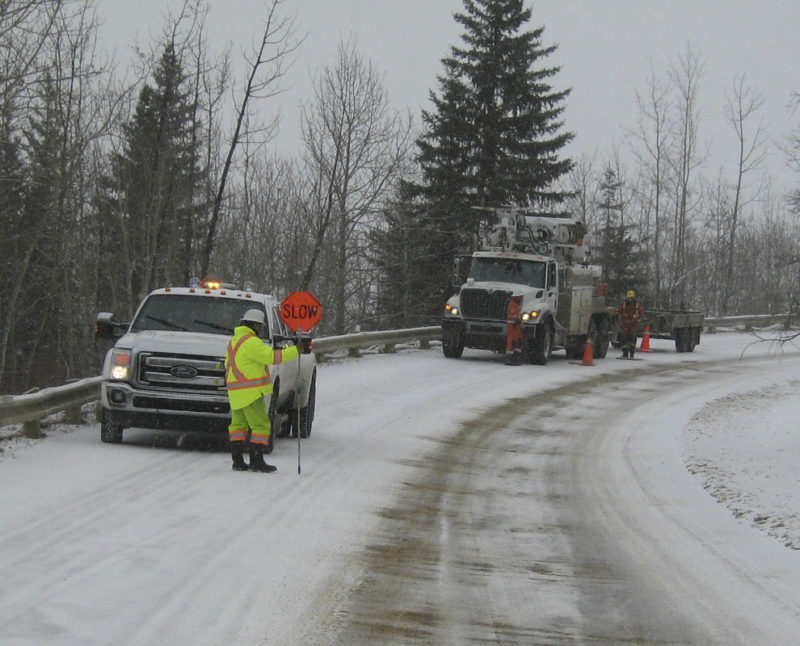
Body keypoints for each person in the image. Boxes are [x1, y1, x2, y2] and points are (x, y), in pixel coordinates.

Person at [224, 308, 301, 472]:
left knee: (238, 425)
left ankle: (237, 461)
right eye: (259, 327)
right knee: (260, 425)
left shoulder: (234, 341)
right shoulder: (251, 342)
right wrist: (296, 350)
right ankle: (256, 461)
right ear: (254, 325)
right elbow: (272, 358)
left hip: (235, 391)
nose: (260, 330)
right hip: (249, 392)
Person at [617, 290, 645, 359]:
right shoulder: (623, 305)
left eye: (631, 298)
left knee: (632, 339)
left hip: (633, 325)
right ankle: (625, 353)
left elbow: (641, 314)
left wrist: (637, 318)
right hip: (625, 325)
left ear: (633, 297)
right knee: (624, 340)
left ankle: (632, 354)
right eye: (629, 298)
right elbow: (619, 312)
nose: (630, 299)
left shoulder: (637, 305)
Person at [505, 295, 523, 366]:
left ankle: (515, 357)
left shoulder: (514, 304)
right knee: (511, 341)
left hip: (515, 326)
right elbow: (513, 314)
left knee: (517, 341)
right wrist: (517, 319)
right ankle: (510, 358)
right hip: (512, 325)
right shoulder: (513, 304)